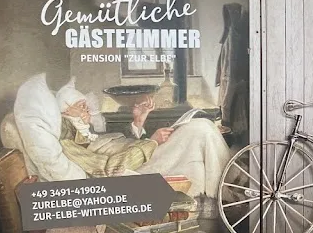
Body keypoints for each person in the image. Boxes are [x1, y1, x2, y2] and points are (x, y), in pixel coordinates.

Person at [54, 79, 230, 208]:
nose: (87, 110)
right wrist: (152, 142)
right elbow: (111, 169)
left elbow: (124, 145)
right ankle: (228, 190)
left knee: (203, 128)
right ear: (65, 111)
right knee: (201, 129)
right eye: (81, 106)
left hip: (146, 155)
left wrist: (139, 120)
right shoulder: (68, 145)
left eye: (85, 105)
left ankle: (229, 186)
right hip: (139, 168)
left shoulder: (86, 134)